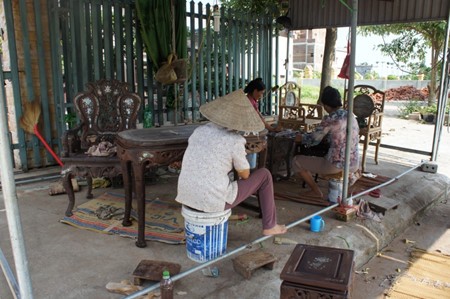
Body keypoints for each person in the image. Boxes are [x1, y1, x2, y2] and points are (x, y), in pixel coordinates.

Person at [176, 89, 287, 236]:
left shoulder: (199, 131)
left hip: (186, 195)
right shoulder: (234, 141)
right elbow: (245, 175)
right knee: (264, 175)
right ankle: (270, 226)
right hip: (213, 201)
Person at [292, 86, 360, 200]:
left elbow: (314, 140)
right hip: (354, 162)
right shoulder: (351, 115)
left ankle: (316, 191)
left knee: (296, 161)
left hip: (336, 165)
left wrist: (301, 137)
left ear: (326, 105)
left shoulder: (331, 118)